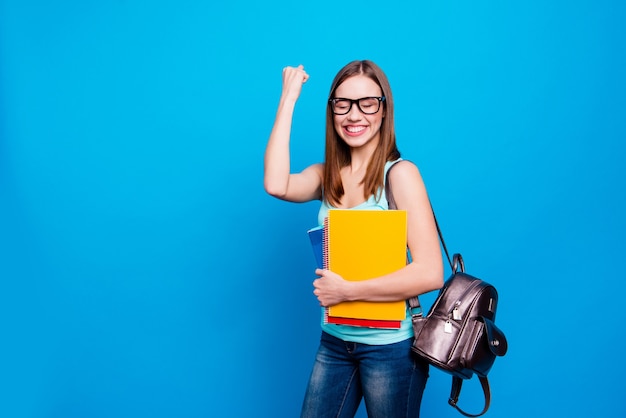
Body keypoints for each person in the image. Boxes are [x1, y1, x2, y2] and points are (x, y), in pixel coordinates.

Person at [264, 60, 444, 418]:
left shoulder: (401, 175)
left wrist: (346, 291)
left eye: (367, 103)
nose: (353, 114)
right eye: (342, 104)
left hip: (390, 348)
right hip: (335, 342)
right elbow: (276, 184)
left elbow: (430, 273)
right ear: (332, 112)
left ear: (383, 110)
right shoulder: (326, 175)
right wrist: (288, 98)